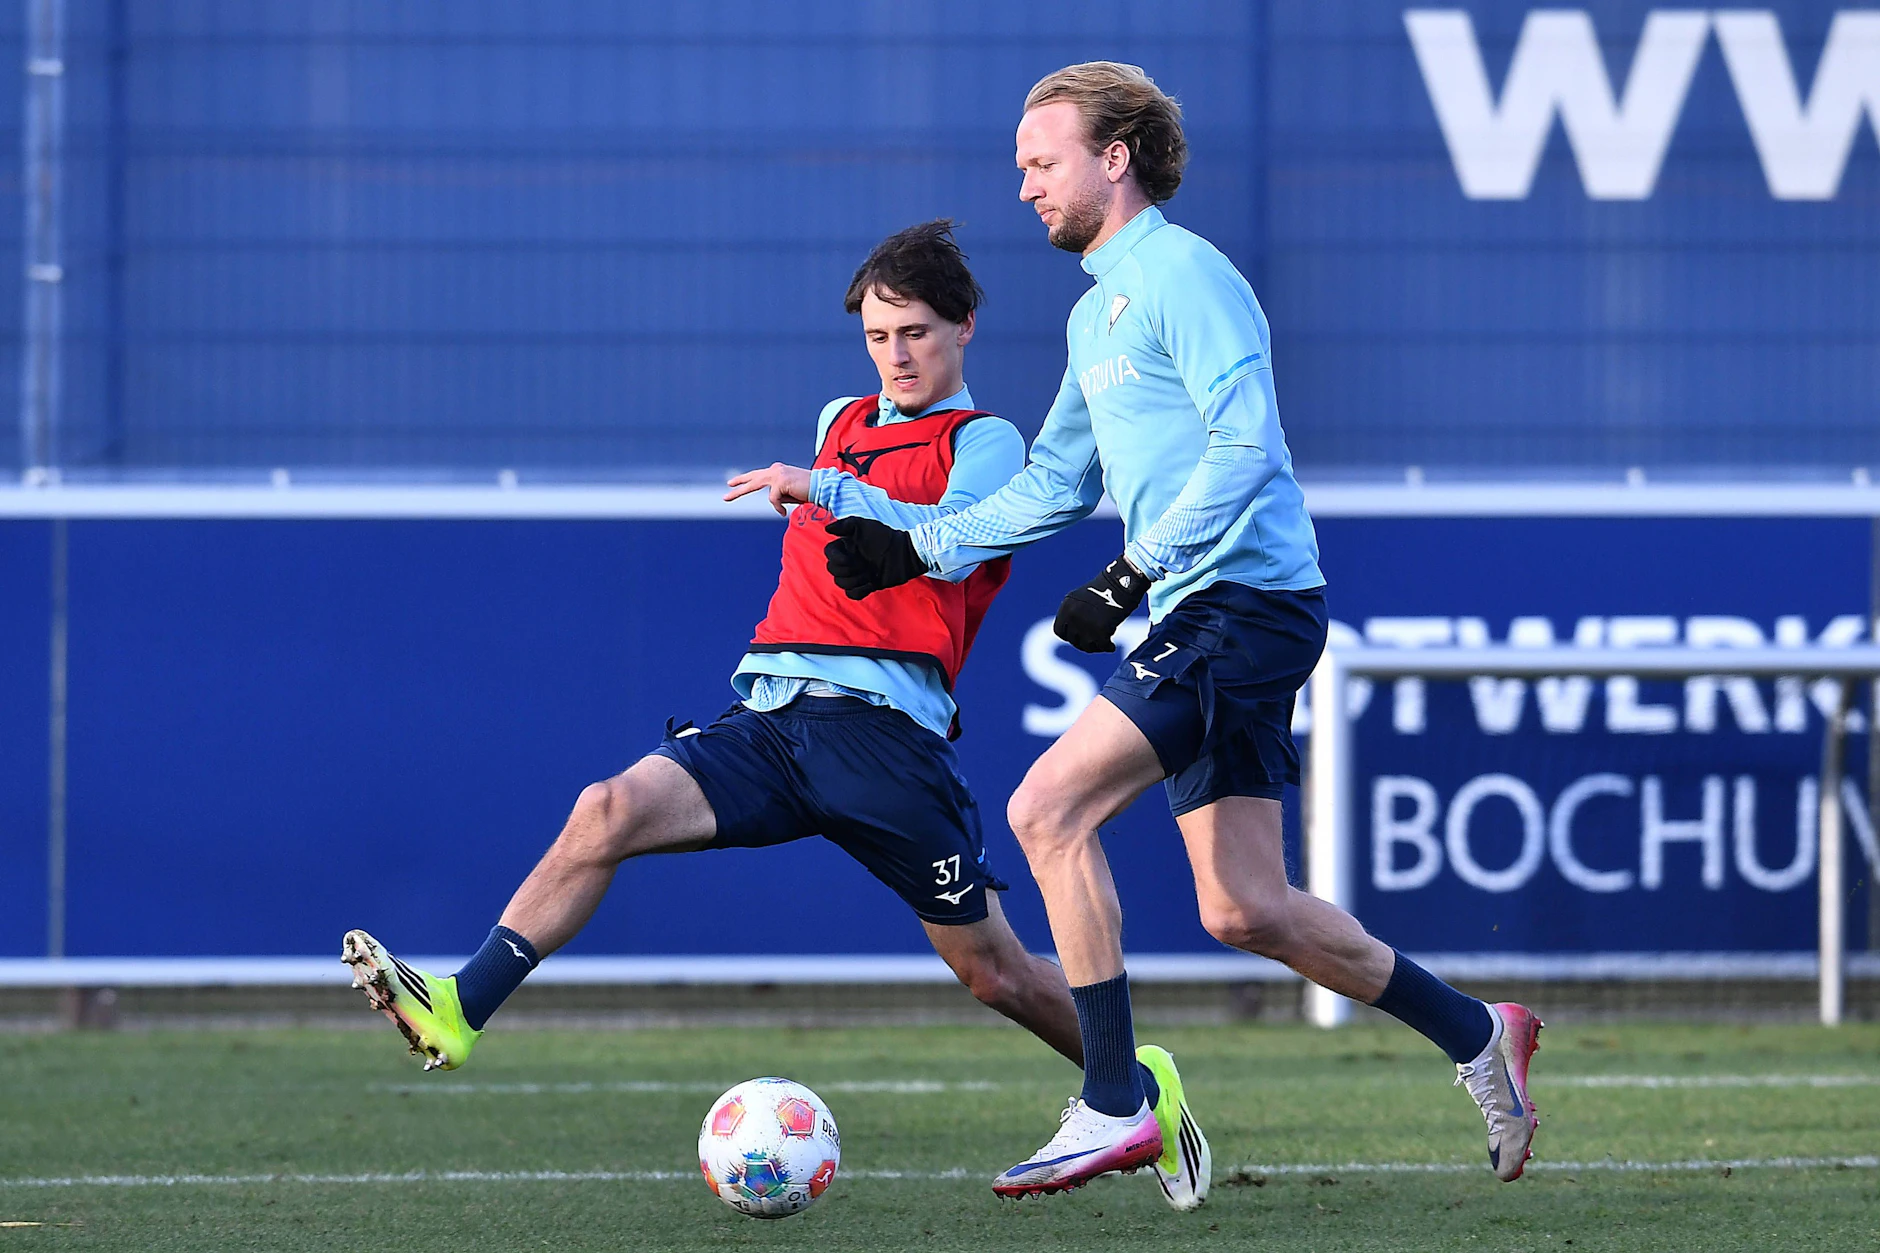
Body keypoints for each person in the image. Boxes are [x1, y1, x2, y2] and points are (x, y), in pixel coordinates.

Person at [340, 219, 1203, 1212]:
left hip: (887, 741)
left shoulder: (984, 439)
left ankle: (1135, 1084)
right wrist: (830, 479)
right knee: (606, 808)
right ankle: (459, 1006)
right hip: (771, 718)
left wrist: (824, 485)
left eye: (916, 332)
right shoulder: (841, 418)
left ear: (965, 325)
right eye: (877, 336)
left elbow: (955, 540)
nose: (896, 355)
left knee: (994, 974)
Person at [823, 64, 1544, 1198]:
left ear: (1113, 159)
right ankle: (1477, 1029)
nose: (1025, 186)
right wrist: (913, 545)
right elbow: (1054, 483)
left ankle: (1116, 1098)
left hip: (1240, 603)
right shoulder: (1094, 310)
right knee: (1243, 906)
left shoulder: (1185, 273)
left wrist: (1132, 571)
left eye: (1041, 162)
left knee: (1045, 808)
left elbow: (1248, 445)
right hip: (1206, 606)